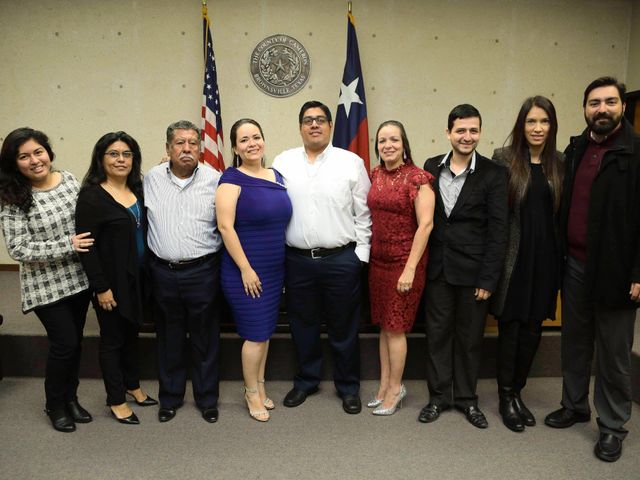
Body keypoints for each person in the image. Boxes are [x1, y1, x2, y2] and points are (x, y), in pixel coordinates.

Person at [544, 77, 640, 463]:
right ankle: (574, 405)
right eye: (594, 103)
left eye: (610, 102)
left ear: (622, 107)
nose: (602, 109)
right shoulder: (577, 147)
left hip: (617, 271)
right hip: (576, 264)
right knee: (575, 341)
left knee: (614, 352)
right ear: (584, 108)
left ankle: (613, 425)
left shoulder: (635, 152)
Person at [272, 100, 372, 414]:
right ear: (300, 127)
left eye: (320, 119)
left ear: (330, 126)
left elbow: (364, 213)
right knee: (303, 325)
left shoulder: (351, 162)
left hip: (341, 260)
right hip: (298, 260)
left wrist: (360, 257)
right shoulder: (283, 162)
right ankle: (306, 381)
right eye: (308, 120)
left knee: (344, 327)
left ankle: (348, 387)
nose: (314, 124)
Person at [420, 104, 508, 428]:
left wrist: (489, 277)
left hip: (475, 274)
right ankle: (439, 397)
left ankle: (468, 400)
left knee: (470, 339)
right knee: (437, 336)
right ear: (448, 133)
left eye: (473, 130)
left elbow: (499, 231)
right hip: (438, 270)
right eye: (461, 130)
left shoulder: (494, 174)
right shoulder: (431, 167)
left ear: (480, 133)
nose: (467, 136)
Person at [0, 127, 92, 432]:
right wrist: (68, 244)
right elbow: (18, 248)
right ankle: (54, 404)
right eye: (24, 156)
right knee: (63, 343)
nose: (34, 160)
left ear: (48, 152)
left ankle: (71, 398)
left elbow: (88, 213)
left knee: (75, 343)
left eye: (38, 152)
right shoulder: (13, 197)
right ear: (15, 163)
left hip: (78, 278)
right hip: (44, 286)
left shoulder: (67, 179)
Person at [490, 97, 564, 432]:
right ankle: (505, 396)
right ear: (521, 125)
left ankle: (518, 391)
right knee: (511, 327)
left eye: (544, 122)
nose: (537, 129)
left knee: (534, 327)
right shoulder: (503, 160)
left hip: (546, 258)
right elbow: (496, 216)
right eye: (531, 122)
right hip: (513, 258)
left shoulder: (560, 163)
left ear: (552, 126)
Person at [75, 131, 157, 425]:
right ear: (101, 158)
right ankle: (116, 399)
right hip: (111, 283)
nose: (120, 159)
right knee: (112, 340)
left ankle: (132, 385)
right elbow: (87, 247)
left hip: (138, 279)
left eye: (126, 154)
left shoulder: (139, 189)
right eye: (113, 153)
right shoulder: (92, 196)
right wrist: (101, 288)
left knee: (132, 334)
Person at [144, 120, 222, 424]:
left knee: (205, 337)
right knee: (169, 337)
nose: (186, 148)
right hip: (163, 272)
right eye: (179, 143)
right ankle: (170, 398)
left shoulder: (215, 180)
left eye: (192, 143)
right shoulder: (151, 178)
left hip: (202, 271)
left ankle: (207, 400)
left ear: (201, 148)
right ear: (167, 149)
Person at [216, 119, 292, 422]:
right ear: (235, 147)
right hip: (244, 269)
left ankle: (260, 385)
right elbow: (225, 226)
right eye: (244, 140)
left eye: (256, 137)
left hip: (274, 269)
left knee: (265, 332)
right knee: (255, 334)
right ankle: (250, 393)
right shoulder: (231, 179)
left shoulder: (277, 175)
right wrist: (246, 269)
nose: (252, 144)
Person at [366, 120, 435, 416]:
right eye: (382, 141)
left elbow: (426, 225)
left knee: (396, 329)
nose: (388, 145)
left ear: (404, 144)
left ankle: (397, 388)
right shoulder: (375, 174)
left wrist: (409, 269)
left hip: (405, 263)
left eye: (394, 139)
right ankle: (383, 386)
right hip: (378, 262)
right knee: (384, 327)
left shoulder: (418, 179)